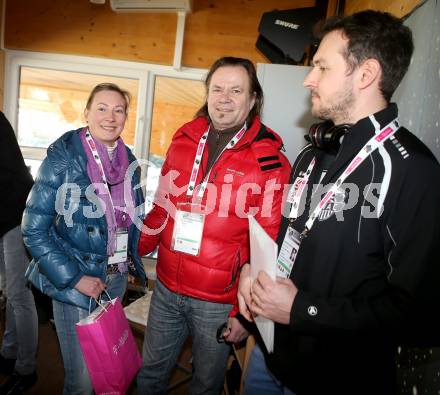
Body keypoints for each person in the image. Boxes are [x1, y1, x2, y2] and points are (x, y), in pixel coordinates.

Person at [238, 10, 440, 395]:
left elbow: (421, 316)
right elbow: (291, 243)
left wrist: (303, 310)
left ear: (365, 75)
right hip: (271, 359)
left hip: (336, 381)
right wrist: (254, 277)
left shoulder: (413, 172)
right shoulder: (312, 155)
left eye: (322, 67)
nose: (308, 79)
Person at [137, 56, 291, 394]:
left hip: (218, 301)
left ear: (253, 100)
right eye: (217, 88)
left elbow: (267, 246)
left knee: (205, 385)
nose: (224, 98)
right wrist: (134, 252)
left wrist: (244, 313)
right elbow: (162, 207)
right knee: (149, 374)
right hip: (165, 286)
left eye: (236, 90)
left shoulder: (269, 161)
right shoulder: (184, 139)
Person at [22, 83, 146, 395]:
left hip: (115, 277)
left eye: (119, 110)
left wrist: (128, 255)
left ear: (126, 117)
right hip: (76, 281)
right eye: (102, 108)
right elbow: (33, 230)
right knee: (82, 381)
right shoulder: (62, 159)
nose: (110, 116)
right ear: (87, 113)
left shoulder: (128, 161)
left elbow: (127, 217)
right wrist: (76, 279)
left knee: (106, 369)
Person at [0, 111, 38, 394]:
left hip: (16, 214)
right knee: (8, 290)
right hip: (2, 213)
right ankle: (8, 352)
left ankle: (27, 368)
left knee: (19, 295)